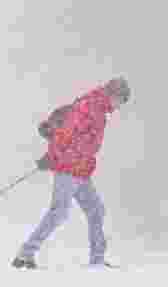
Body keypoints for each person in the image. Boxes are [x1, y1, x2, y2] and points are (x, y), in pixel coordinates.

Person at [12, 77, 131, 269]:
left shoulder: (99, 110)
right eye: (121, 101)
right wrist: (51, 156)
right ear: (113, 94)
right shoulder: (88, 106)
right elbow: (65, 133)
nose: (119, 106)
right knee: (59, 212)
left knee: (96, 210)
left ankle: (97, 261)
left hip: (80, 170)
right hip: (68, 168)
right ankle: (25, 254)